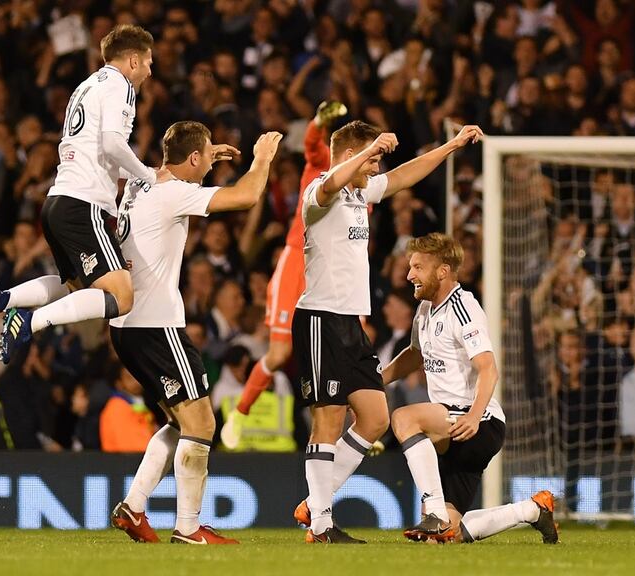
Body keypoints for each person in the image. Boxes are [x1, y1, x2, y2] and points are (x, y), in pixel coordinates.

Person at [291, 120, 483, 543]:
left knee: (376, 417)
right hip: (320, 319)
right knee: (328, 420)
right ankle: (322, 522)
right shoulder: (319, 193)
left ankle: (315, 501)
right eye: (371, 158)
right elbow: (332, 180)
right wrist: (369, 149)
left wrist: (450, 146)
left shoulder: (361, 194)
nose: (377, 167)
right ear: (348, 156)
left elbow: (404, 174)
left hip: (349, 324)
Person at [108, 121, 282, 545]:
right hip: (155, 325)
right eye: (203, 158)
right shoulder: (172, 194)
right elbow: (246, 196)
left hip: (126, 324)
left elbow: (171, 167)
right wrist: (262, 158)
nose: (208, 165)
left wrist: (205, 153)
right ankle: (188, 528)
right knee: (202, 422)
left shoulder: (141, 183)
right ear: (192, 159)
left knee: (179, 419)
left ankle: (134, 507)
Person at [0, 25, 158, 363]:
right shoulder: (121, 86)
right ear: (133, 60)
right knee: (121, 297)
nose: (150, 71)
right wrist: (147, 175)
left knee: (75, 289)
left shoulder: (87, 86)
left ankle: (1, 299)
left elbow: (102, 153)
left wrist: (143, 172)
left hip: (56, 202)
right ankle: (29, 320)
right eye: (149, 62)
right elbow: (112, 144)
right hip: (82, 207)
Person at [381, 233, 559, 545]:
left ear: (442, 270)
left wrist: (475, 416)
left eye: (418, 267)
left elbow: (489, 368)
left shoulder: (464, 307)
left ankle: (434, 511)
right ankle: (533, 510)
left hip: (478, 422)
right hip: (452, 428)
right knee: (446, 537)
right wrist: (374, 381)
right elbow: (414, 355)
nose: (410, 275)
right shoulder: (424, 310)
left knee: (403, 418)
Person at [221, 101, 346, 449]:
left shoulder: (363, 191)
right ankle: (241, 414)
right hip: (296, 265)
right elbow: (311, 142)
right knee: (278, 356)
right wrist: (320, 119)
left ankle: (355, 431)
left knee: (343, 352)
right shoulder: (323, 165)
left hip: (329, 272)